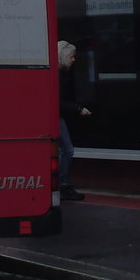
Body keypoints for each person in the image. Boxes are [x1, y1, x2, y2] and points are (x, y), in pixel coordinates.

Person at [57, 40, 91, 200]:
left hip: (57, 114)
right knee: (67, 149)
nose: (73, 59)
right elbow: (59, 100)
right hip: (55, 116)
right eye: (71, 56)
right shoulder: (58, 74)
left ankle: (61, 183)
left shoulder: (62, 72)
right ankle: (63, 184)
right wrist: (78, 108)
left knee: (62, 150)